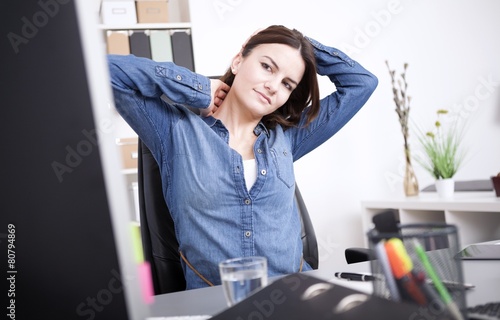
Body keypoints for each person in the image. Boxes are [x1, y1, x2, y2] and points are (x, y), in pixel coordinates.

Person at [108, 25, 378, 290]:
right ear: (238, 60)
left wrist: (303, 45)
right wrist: (198, 87)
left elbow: (361, 83)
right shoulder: (174, 130)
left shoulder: (288, 138)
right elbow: (104, 71)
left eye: (287, 83)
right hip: (216, 305)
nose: (273, 86)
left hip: (294, 295)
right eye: (267, 66)